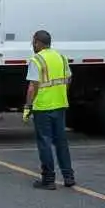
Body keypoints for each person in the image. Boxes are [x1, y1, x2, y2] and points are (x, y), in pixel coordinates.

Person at [22, 29, 75, 190]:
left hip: (43, 107)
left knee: (44, 142)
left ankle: (49, 179)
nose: (32, 44)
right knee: (61, 142)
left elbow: (32, 87)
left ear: (38, 42)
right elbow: (68, 78)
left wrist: (27, 106)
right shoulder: (61, 58)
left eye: (33, 42)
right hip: (60, 105)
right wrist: (61, 94)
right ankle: (68, 176)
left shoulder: (37, 60)